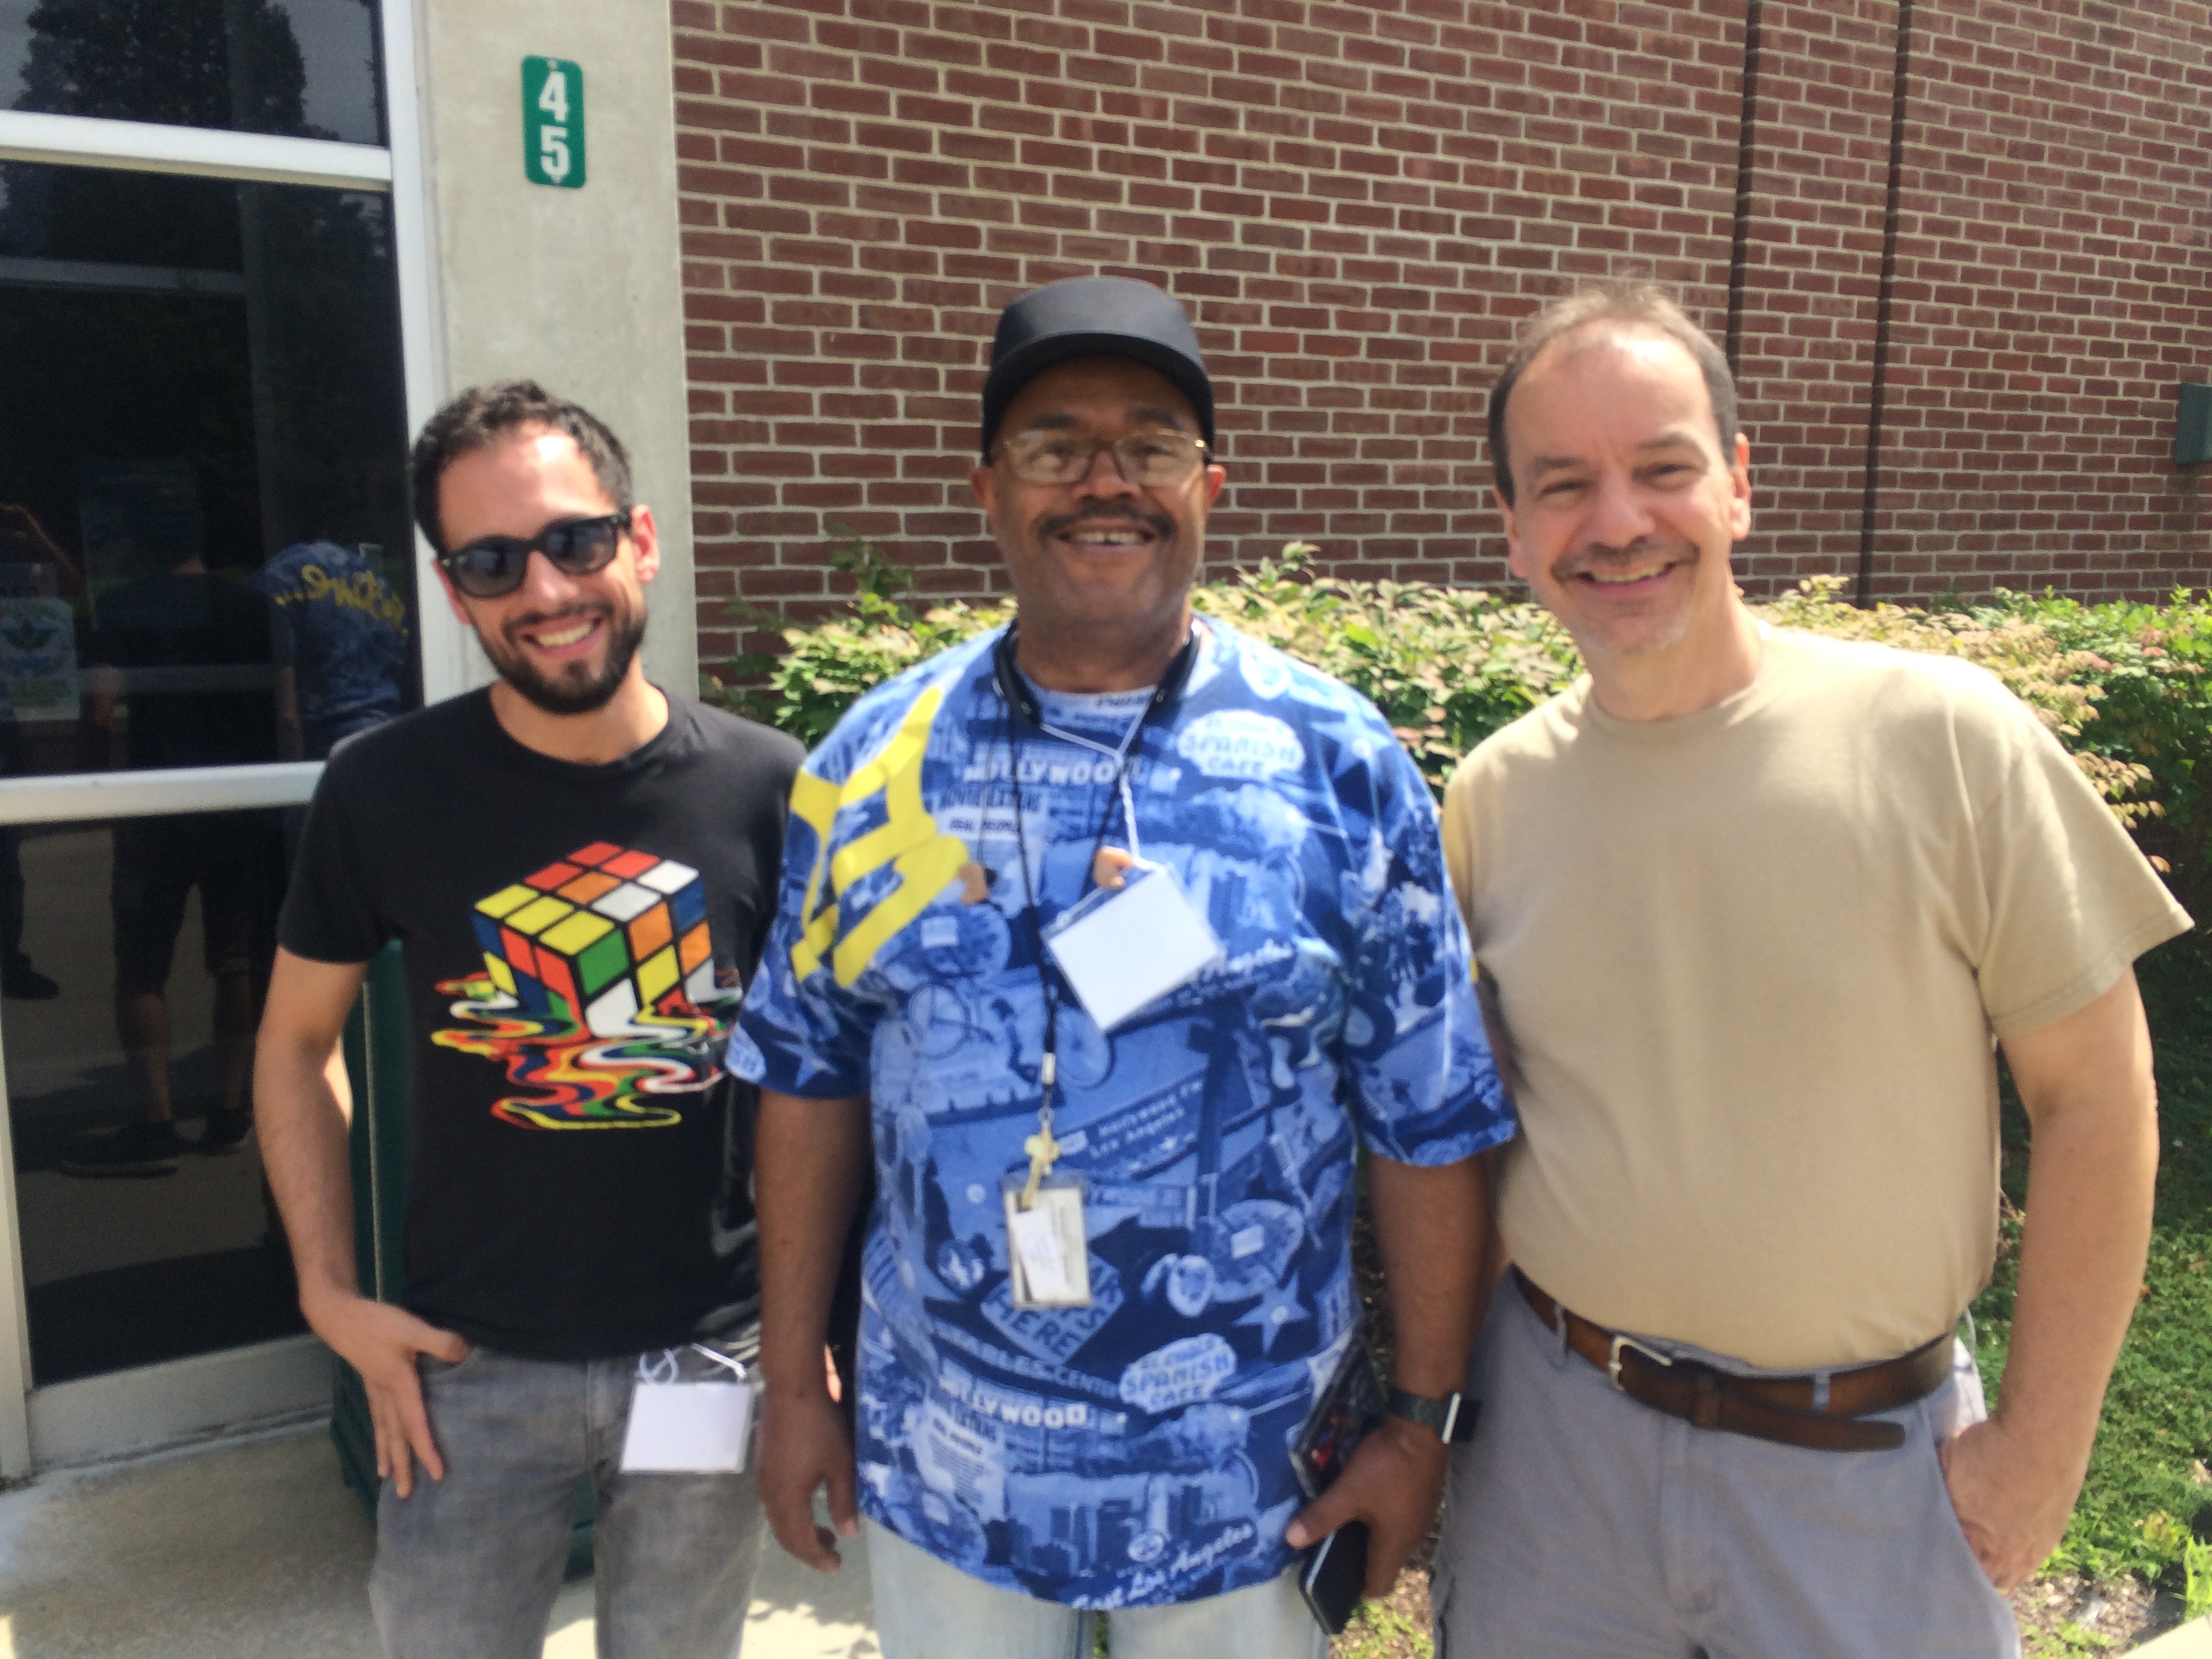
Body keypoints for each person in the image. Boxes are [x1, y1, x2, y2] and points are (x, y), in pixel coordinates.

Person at [732, 276, 1515, 1659]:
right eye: (1054, 445)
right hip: (950, 1464)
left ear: (1209, 485)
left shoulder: (1337, 765)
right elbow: (807, 1077)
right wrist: (795, 1382)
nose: (1106, 481)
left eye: (1150, 444)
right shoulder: (868, 765)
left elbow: (1430, 1115)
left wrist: (1422, 1420)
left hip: (1251, 1484)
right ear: (988, 488)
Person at [1432, 283, 2193, 1658]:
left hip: (1865, 1480)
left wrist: (2040, 1449)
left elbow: (2096, 1094)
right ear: (1512, 527)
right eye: (1563, 484)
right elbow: (1486, 1135)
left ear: (1736, 484)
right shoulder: (1492, 798)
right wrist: (1452, 1424)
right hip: (1556, 1466)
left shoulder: (1941, 738)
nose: (1616, 520)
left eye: (1662, 468)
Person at [255, 382, 800, 1659]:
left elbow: (819, 1083)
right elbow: (292, 1045)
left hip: (705, 1361)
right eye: (492, 561)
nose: (546, 589)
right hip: (467, 1364)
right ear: (454, 593)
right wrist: (329, 1294)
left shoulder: (767, 784)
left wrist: (810, 1326)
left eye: (575, 539)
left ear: (640, 540)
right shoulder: (383, 787)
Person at [64, 491, 289, 1175]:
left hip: (155, 808)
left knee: (141, 967)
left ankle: (156, 1121)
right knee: (237, 960)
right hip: (240, 807)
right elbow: (286, 711)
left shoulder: (124, 608)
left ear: (144, 546)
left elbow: (99, 707)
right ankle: (228, 1109)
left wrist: (90, 785)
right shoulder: (257, 610)